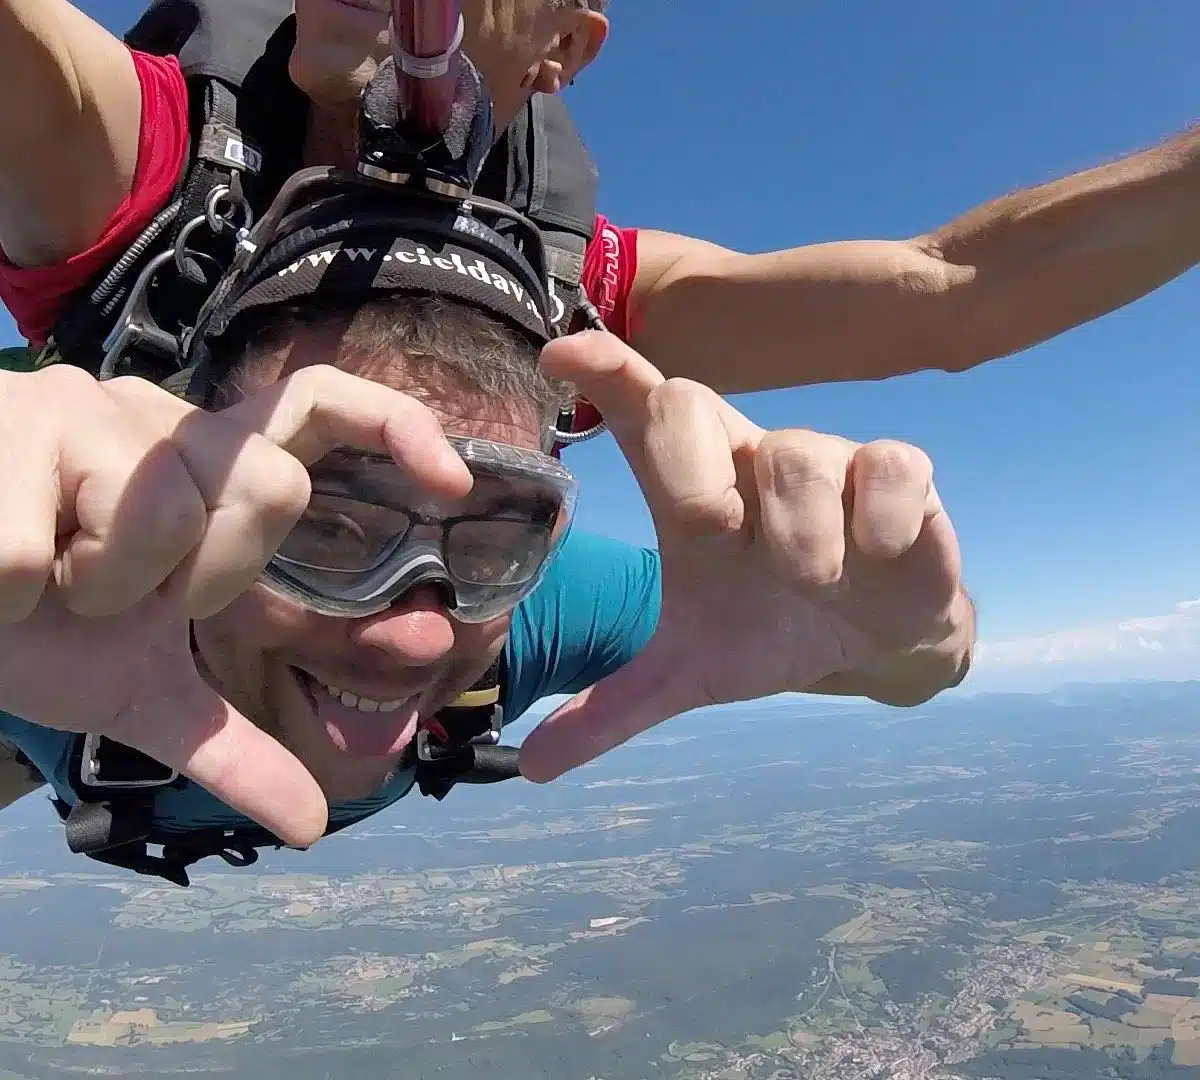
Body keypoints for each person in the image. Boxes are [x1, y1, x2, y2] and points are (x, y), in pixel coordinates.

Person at [0, 172, 976, 885]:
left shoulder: (546, 603)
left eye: (495, 538)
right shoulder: (63, 574)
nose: (417, 631)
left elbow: (907, 661)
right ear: (206, 475)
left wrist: (915, 630)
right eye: (331, 524)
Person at [1, 0, 1197, 408]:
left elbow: (950, 292)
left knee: (876, 632)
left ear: (567, 43)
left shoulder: (572, 297)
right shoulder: (143, 154)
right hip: (115, 618)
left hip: (453, 624)